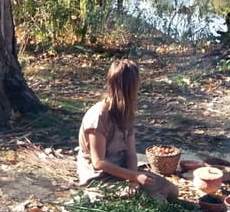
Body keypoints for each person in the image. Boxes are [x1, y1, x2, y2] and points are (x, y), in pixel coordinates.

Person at [76, 59, 178, 200]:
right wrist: (134, 176)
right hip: (100, 177)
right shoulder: (99, 116)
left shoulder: (126, 113)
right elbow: (98, 162)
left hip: (124, 171)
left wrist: (133, 179)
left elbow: (130, 153)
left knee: (172, 191)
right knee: (153, 200)